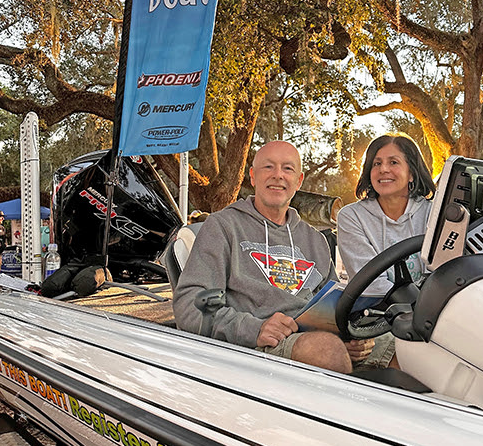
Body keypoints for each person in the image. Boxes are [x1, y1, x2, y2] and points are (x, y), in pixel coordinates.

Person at [173, 140, 374, 374]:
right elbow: (191, 306)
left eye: (287, 169)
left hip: (314, 340)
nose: (278, 175)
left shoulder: (315, 240)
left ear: (298, 181)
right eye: (268, 167)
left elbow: (332, 306)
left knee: (403, 346)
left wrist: (347, 335)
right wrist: (254, 329)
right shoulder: (223, 227)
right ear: (252, 176)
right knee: (325, 350)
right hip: (256, 348)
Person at [336, 133, 435, 368]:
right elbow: (371, 284)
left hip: (431, 314)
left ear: (411, 172)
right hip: (379, 317)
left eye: (393, 162)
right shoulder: (351, 217)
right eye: (376, 164)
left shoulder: (434, 213)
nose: (383, 170)